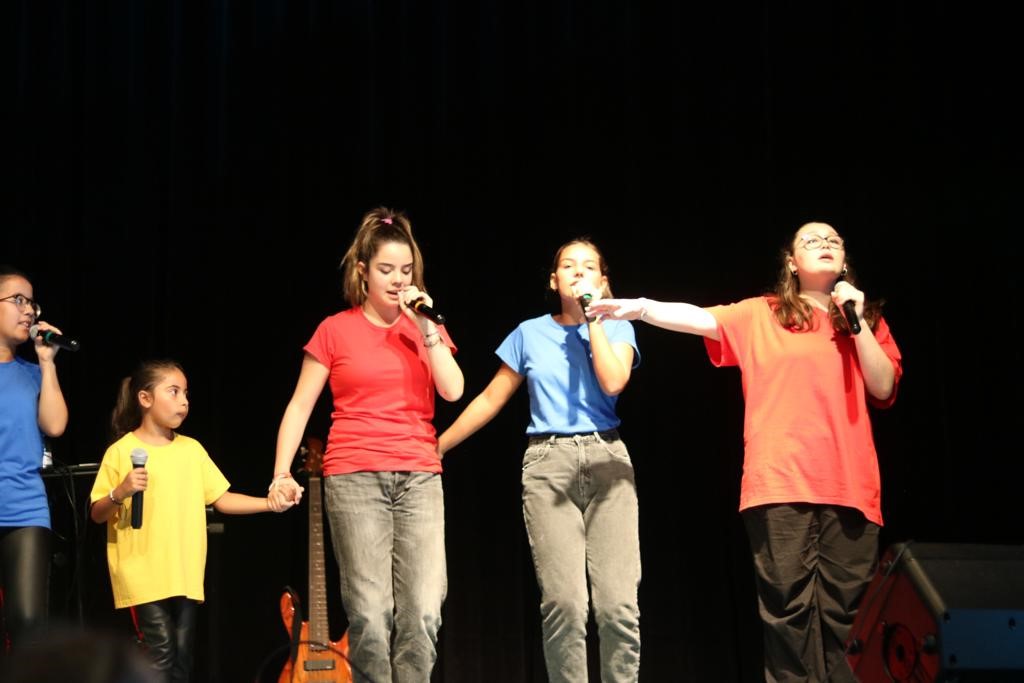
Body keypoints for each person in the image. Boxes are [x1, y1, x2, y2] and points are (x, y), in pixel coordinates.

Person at [588, 221, 903, 683]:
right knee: (788, 620)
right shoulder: (763, 314)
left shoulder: (864, 319)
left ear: (844, 260)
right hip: (780, 484)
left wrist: (855, 321)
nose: (824, 244)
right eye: (811, 240)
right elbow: (699, 318)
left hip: (851, 487)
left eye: (833, 240)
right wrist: (640, 309)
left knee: (850, 623)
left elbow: (883, 385)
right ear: (791, 263)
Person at [268, 207, 464, 683]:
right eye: (386, 270)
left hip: (418, 475)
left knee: (423, 611)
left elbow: (453, 390)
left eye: (406, 270)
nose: (398, 280)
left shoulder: (426, 328)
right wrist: (281, 473)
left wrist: (427, 329)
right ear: (363, 272)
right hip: (354, 477)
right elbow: (300, 405)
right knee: (371, 616)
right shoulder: (335, 329)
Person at [438, 239, 641, 683]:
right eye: (568, 265)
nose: (578, 272)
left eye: (589, 267)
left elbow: (613, 382)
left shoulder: (618, 326)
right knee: (565, 605)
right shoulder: (529, 333)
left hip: (607, 458)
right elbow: (491, 398)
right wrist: (439, 445)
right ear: (553, 280)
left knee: (618, 606)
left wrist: (595, 319)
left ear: (603, 281)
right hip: (549, 464)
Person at [89, 359, 292, 682]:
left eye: (186, 393)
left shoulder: (192, 450)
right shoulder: (121, 451)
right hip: (141, 568)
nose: (183, 401)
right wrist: (121, 491)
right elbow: (97, 513)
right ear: (145, 398)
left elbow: (222, 499)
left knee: (182, 660)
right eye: (173, 392)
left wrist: (270, 504)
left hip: (183, 569)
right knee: (161, 651)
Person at [0, 265, 69, 652]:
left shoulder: (33, 373)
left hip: (25, 508)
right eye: (18, 300)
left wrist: (47, 362)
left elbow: (55, 425)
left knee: (27, 622)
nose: (29, 310)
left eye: (32, 303)